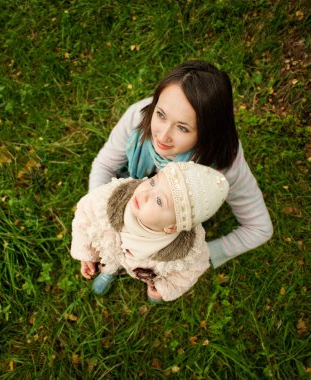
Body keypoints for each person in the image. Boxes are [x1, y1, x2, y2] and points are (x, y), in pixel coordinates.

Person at [88, 61, 273, 293]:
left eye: (183, 128)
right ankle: (111, 264)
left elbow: (259, 228)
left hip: (169, 228)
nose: (163, 136)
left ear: (208, 132)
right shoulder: (139, 116)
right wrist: (98, 224)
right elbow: (104, 165)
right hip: (131, 202)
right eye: (161, 114)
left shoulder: (224, 164)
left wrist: (197, 259)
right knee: (114, 238)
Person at [71, 162, 229, 302]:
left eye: (159, 201)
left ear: (172, 227)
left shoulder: (187, 251)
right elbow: (84, 216)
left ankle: (149, 288)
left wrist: (164, 287)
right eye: (153, 181)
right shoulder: (108, 199)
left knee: (160, 283)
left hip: (142, 267)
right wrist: (87, 252)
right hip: (111, 252)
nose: (145, 193)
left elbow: (192, 270)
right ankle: (108, 271)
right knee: (111, 259)